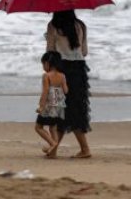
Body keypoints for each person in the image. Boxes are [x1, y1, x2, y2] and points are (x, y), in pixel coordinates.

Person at [45, 9, 92, 158]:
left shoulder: (53, 26)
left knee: (62, 108)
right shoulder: (81, 25)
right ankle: (57, 148)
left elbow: (50, 51)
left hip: (62, 68)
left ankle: (82, 149)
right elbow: (84, 52)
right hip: (79, 69)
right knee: (75, 108)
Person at [35, 51, 68, 158]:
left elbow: (45, 92)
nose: (43, 67)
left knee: (38, 127)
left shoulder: (46, 76)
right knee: (53, 128)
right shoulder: (62, 76)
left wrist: (41, 106)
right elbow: (66, 91)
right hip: (59, 107)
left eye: (43, 64)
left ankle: (52, 143)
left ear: (48, 63)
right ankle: (53, 153)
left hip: (49, 106)